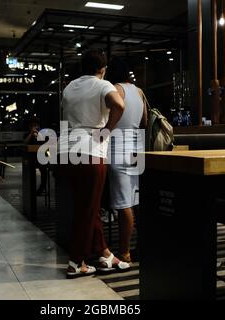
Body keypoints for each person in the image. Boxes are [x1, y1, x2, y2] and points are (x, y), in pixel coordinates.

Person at [60, 49, 130, 278]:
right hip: (91, 151)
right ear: (103, 69)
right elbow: (119, 105)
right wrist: (108, 130)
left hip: (68, 151)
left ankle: (104, 254)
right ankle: (75, 262)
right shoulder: (103, 85)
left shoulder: (69, 87)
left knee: (87, 206)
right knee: (87, 209)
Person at [106, 57, 148, 264]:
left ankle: (124, 252)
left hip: (118, 150)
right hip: (137, 150)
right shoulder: (139, 92)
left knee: (124, 205)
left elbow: (108, 119)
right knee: (136, 201)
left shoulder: (115, 90)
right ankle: (140, 245)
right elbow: (145, 121)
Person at [23, 118, 47, 195]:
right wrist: (31, 134)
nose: (34, 127)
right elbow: (25, 143)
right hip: (31, 157)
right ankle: (31, 190)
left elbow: (45, 143)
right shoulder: (27, 134)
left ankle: (41, 188)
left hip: (41, 157)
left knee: (44, 171)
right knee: (30, 172)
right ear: (29, 127)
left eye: (35, 125)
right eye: (32, 126)